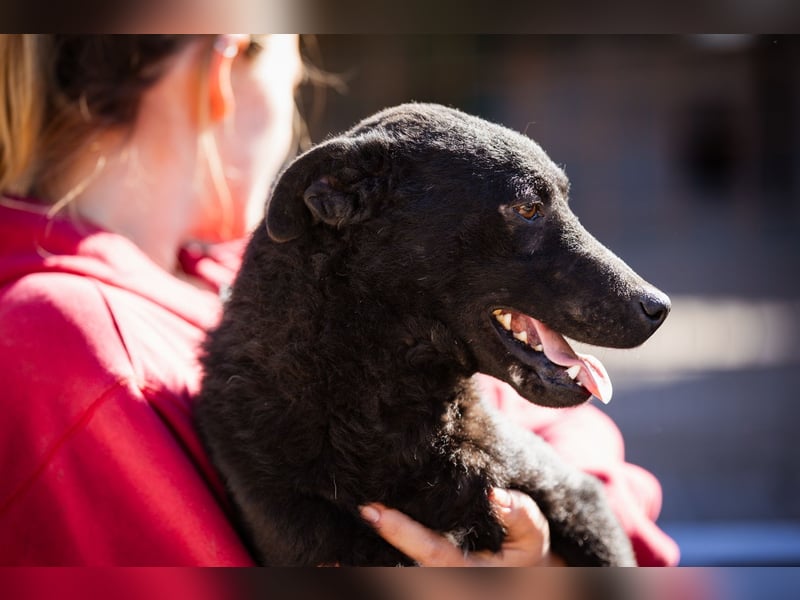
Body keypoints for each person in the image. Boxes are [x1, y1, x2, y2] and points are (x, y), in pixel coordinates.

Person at [0, 34, 679, 566]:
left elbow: (582, 461)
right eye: (295, 83)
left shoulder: (295, 282)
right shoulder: (65, 339)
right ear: (223, 68)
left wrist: (546, 572)